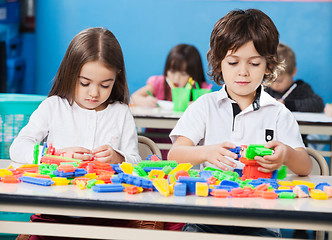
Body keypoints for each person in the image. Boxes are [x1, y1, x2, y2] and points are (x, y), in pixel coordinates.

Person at [168, 9, 312, 237]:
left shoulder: (277, 112)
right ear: (219, 63)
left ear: (268, 65)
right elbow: (175, 155)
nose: (243, 72)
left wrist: (285, 154)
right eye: (233, 62)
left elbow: (305, 166)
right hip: (208, 217)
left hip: (261, 219)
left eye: (254, 64)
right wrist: (206, 153)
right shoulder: (205, 106)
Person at [10, 27, 161, 240]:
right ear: (70, 74)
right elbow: (18, 147)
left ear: (116, 79)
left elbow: (135, 162)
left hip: (109, 219)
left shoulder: (120, 112)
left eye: (105, 85)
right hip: (55, 215)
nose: (94, 93)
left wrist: (119, 158)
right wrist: (54, 156)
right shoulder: (54, 107)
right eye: (85, 83)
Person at [130, 44, 211, 107]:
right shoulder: (159, 83)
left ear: (194, 74)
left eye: (183, 74)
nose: (176, 78)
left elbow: (208, 107)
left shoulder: (201, 89)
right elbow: (133, 97)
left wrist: (194, 105)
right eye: (172, 72)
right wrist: (146, 102)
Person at [265, 43, 324, 112]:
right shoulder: (267, 90)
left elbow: (318, 104)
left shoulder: (301, 89)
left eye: (279, 81)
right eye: (271, 80)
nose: (275, 84)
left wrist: (287, 104)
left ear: (293, 72)